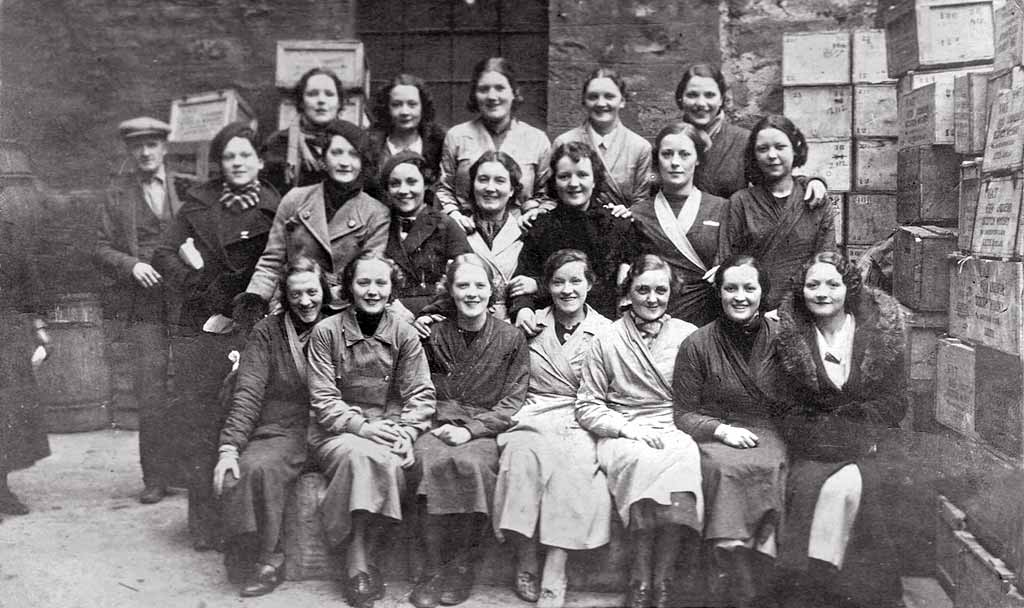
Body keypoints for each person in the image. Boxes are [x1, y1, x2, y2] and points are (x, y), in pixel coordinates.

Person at [152, 121, 281, 550]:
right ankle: (204, 523)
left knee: (244, 415)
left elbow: (281, 265)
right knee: (200, 419)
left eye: (245, 155)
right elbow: (165, 253)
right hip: (202, 324)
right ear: (219, 164)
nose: (238, 163)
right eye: (229, 157)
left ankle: (242, 525)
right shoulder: (197, 204)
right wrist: (199, 286)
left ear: (259, 161)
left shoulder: (275, 207)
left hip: (251, 324)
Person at [774, 252, 907, 607]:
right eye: (812, 284)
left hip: (869, 445)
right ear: (801, 291)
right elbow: (785, 406)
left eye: (832, 284)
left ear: (849, 287)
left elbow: (895, 402)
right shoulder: (791, 339)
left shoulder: (879, 334)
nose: (822, 293)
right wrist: (824, 437)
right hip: (814, 446)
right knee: (811, 487)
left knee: (848, 487)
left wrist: (855, 430)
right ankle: (818, 588)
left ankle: (842, 591)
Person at [307, 251, 436, 608]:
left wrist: (407, 432)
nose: (373, 290)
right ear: (349, 287)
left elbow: (421, 393)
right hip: (336, 430)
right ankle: (359, 558)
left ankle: (366, 551)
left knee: (393, 461)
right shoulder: (325, 332)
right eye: (363, 282)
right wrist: (361, 427)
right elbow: (322, 399)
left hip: (389, 426)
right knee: (360, 457)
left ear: (392, 289)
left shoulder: (404, 333)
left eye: (381, 283)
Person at [576, 254, 704, 608]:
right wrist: (627, 429)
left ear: (671, 294)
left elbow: (698, 399)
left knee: (683, 460)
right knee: (642, 462)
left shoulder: (687, 336)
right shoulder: (606, 338)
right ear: (628, 293)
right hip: (623, 430)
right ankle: (639, 578)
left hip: (671, 425)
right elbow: (588, 405)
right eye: (642, 290)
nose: (652, 298)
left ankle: (662, 579)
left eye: (660, 290)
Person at [493, 249, 613, 608]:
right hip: (532, 411)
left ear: (590, 284)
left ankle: (556, 566)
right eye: (558, 282)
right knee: (521, 456)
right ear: (547, 286)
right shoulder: (528, 324)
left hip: (581, 415)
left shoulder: (607, 331)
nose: (567, 290)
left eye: (576, 281)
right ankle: (527, 557)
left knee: (575, 464)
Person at [410, 253, 530, 608]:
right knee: (428, 461)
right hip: (437, 421)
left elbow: (512, 402)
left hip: (483, 429)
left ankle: (462, 566)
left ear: (492, 291)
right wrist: (438, 422)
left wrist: (472, 430)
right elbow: (417, 386)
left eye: (480, 285)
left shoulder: (511, 339)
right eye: (463, 285)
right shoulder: (432, 334)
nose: (472, 293)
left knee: (472, 466)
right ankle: (432, 568)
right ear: (450, 290)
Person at [672, 255, 787, 607]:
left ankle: (757, 566)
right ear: (718, 293)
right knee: (723, 470)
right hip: (717, 437)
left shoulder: (784, 339)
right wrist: (721, 431)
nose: (740, 296)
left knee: (773, 466)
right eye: (730, 288)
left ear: (762, 293)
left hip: (770, 432)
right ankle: (731, 562)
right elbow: (684, 412)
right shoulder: (698, 343)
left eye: (749, 288)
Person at [213, 257, 329, 597]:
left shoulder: (339, 326)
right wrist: (229, 448)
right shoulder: (267, 331)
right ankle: (266, 558)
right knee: (253, 467)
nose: (305, 301)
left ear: (324, 290)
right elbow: (248, 392)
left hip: (332, 423)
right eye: (296, 294)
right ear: (284, 296)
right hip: (282, 426)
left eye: (312, 291)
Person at [95, 116, 183, 505]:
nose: (145, 153)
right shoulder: (116, 194)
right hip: (144, 305)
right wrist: (131, 264)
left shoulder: (189, 189)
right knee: (151, 390)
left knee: (190, 384)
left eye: (152, 144)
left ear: (165, 147)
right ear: (129, 151)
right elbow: (99, 247)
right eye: (137, 146)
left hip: (186, 301)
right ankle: (156, 477)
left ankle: (188, 472)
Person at [235, 118, 389, 325]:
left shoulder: (376, 213)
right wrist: (255, 298)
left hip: (342, 313)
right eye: (336, 153)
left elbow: (367, 276)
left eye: (353, 155)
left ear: (363, 163)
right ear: (323, 159)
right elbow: (271, 262)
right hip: (288, 304)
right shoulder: (295, 199)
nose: (344, 162)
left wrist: (313, 295)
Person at [510, 141, 634, 329]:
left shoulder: (616, 225)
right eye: (564, 176)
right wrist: (523, 309)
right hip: (549, 327)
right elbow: (523, 280)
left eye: (582, 175)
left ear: (594, 180)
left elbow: (609, 288)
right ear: (555, 181)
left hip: (605, 328)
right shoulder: (542, 227)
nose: (573, 184)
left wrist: (540, 286)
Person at [719, 115, 837, 310]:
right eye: (763, 149)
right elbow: (726, 265)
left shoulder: (814, 200)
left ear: (795, 148)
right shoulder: (740, 202)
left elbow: (826, 261)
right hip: (751, 312)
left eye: (780, 147)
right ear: (754, 155)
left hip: (804, 310)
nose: (772, 155)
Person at [675, 63, 827, 205]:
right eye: (692, 95)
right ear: (681, 98)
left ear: (721, 99)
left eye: (709, 95)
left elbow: (775, 180)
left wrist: (809, 182)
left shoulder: (743, 141)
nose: (701, 103)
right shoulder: (669, 142)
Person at [436, 57, 551, 232]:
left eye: (500, 88)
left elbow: (548, 196)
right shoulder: (457, 136)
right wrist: (455, 216)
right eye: (483, 89)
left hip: (520, 233)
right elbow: (444, 189)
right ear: (475, 94)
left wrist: (533, 212)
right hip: (467, 231)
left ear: (514, 92)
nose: (492, 96)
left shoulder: (536, 139)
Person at [630, 122, 726, 327]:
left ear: (698, 159)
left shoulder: (722, 209)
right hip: (655, 321)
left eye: (684, 154)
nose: (675, 162)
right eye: (667, 154)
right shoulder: (637, 214)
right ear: (657, 159)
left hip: (707, 321)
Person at [418, 151, 525, 324]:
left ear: (512, 190)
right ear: (473, 185)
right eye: (483, 179)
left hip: (514, 326)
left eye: (500, 180)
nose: (490, 188)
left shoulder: (525, 230)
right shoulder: (453, 230)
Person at [0, 196, 50, 518]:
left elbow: (29, 283)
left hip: (6, 330)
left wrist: (39, 327)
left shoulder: (9, 234)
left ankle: (1, 488)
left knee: (6, 412)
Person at [381, 151, 471, 317]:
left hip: (434, 317)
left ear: (426, 184)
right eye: (395, 184)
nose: (403, 190)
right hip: (388, 314)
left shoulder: (446, 225)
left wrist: (422, 312)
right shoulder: (380, 225)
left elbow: (468, 280)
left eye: (411, 182)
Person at [552, 68, 652, 208]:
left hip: (621, 226)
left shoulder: (640, 147)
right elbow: (551, 196)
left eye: (609, 96)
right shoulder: (564, 142)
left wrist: (627, 213)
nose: (601, 103)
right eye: (593, 97)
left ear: (622, 101)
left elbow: (642, 202)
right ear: (584, 102)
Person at [261, 67, 347, 195]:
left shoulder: (352, 144)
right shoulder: (277, 143)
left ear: (339, 103)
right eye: (312, 94)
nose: (321, 100)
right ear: (301, 102)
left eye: (329, 94)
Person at [365, 74, 447, 201]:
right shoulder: (370, 145)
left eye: (412, 104)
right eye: (396, 104)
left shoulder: (440, 145)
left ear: (423, 107)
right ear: (387, 108)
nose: (404, 112)